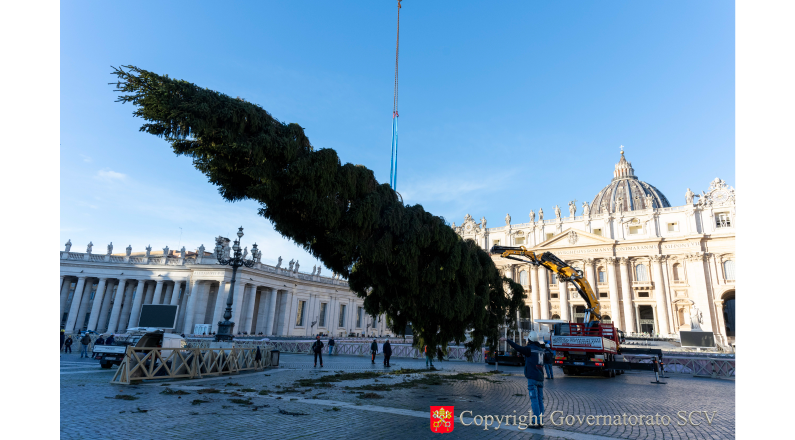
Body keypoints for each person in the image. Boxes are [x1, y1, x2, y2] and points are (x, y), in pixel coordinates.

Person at [506, 333, 545, 429]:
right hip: (540, 378)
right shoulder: (541, 350)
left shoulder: (529, 349)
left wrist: (508, 340)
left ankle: (536, 422)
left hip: (532, 377)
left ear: (530, 340)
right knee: (540, 400)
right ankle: (540, 421)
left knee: (534, 400)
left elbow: (517, 347)